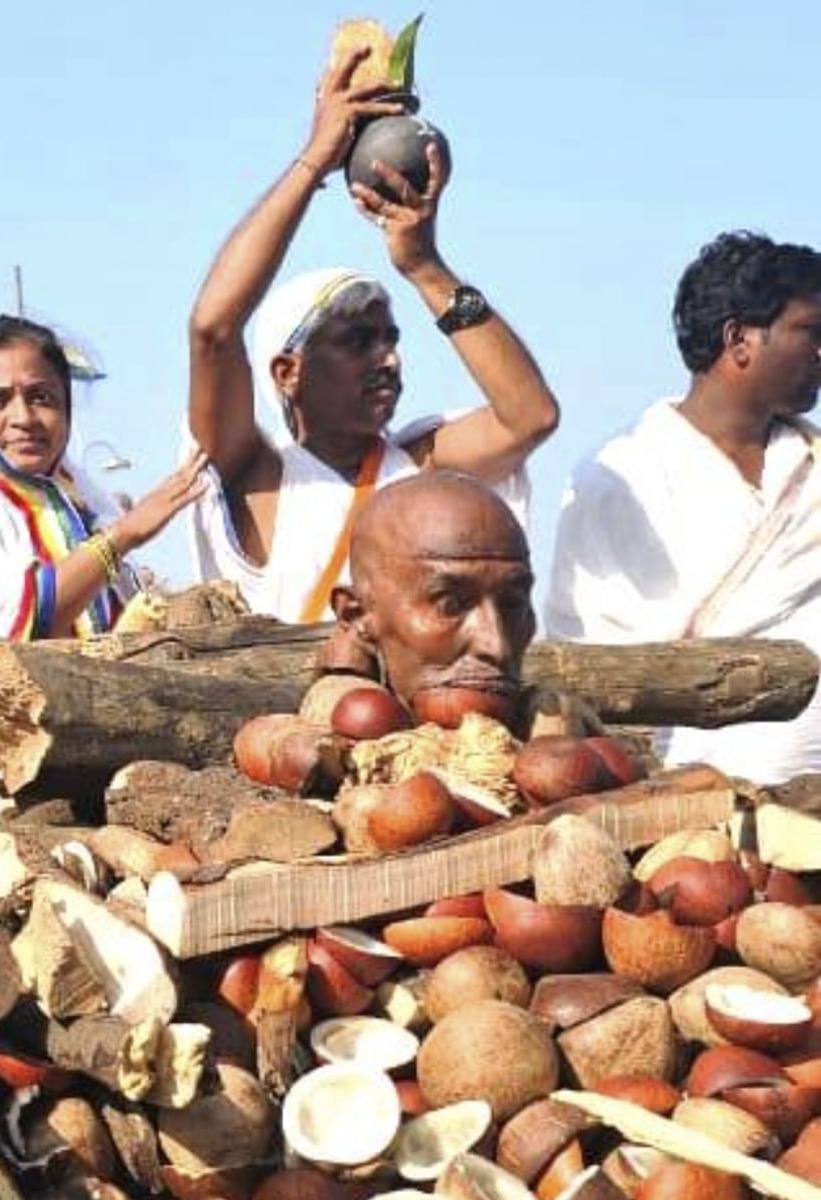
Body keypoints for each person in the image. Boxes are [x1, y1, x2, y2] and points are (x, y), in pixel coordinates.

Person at [186, 46, 559, 623]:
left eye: (389, 339)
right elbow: (213, 328)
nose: (388, 359)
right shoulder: (257, 476)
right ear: (287, 372)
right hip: (285, 716)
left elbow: (530, 416)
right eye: (357, 342)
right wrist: (315, 159)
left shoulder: (416, 469)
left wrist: (425, 268)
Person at [0, 314, 208, 830]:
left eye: (42, 397)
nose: (23, 416)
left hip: (78, 782)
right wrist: (122, 537)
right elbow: (13, 628)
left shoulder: (81, 498)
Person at [546, 231, 821, 784]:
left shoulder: (811, 464)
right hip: (681, 813)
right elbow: (589, 657)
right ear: (739, 338)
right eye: (811, 333)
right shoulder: (619, 475)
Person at [329, 469, 590, 741]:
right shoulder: (321, 753)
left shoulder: (574, 752)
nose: (495, 646)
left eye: (512, 604)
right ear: (356, 615)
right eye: (450, 605)